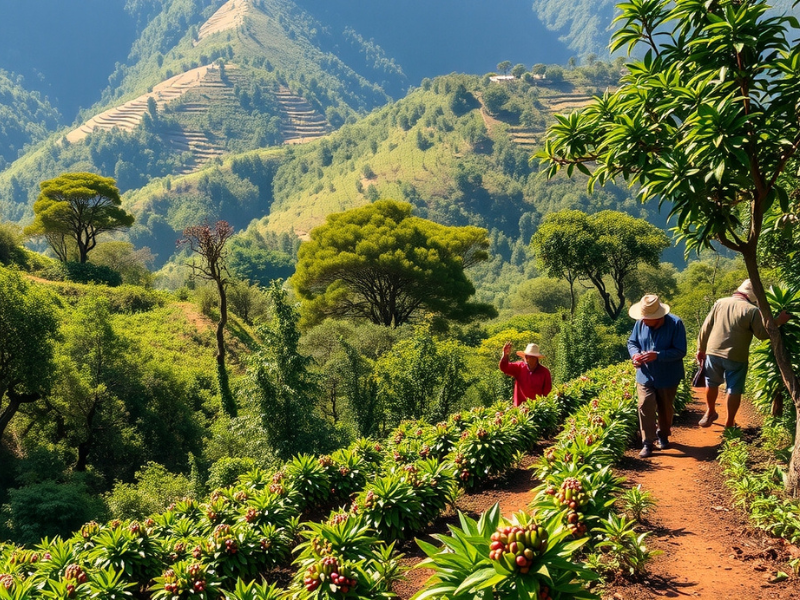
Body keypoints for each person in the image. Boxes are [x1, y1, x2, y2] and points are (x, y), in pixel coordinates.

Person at [696, 279, 790, 428]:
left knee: (711, 383)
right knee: (734, 389)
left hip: (713, 351)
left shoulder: (720, 302)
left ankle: (710, 412)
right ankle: (729, 422)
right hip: (736, 355)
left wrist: (701, 349)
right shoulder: (752, 310)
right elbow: (762, 334)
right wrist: (779, 321)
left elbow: (706, 327)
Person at [627, 294, 687, 458]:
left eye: (647, 319)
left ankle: (663, 434)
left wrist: (658, 355)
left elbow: (680, 351)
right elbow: (632, 343)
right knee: (645, 404)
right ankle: (647, 443)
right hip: (645, 375)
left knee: (665, 408)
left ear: (658, 317)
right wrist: (635, 355)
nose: (643, 321)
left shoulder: (675, 323)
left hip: (668, 376)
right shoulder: (640, 324)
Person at [499, 342, 552, 406]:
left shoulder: (544, 372)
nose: (526, 358)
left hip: (537, 409)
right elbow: (504, 368)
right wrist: (505, 355)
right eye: (526, 356)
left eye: (529, 356)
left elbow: (547, 392)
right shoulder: (519, 367)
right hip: (519, 409)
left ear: (536, 358)